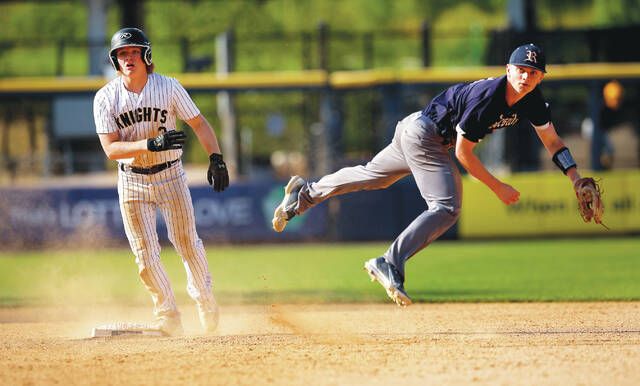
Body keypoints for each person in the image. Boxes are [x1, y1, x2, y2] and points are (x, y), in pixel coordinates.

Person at [272, 43, 596, 307]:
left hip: (417, 128)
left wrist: (575, 177)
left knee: (374, 175)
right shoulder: (489, 99)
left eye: (533, 73)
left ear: (541, 78)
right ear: (508, 70)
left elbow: (553, 142)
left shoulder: (533, 102)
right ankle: (389, 261)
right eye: (521, 70)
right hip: (428, 137)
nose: (526, 77)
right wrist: (497, 187)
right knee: (446, 207)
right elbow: (463, 154)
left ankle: (304, 194)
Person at [94, 27, 229, 335]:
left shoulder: (168, 87)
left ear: (146, 55)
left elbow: (198, 122)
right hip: (132, 180)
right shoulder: (105, 98)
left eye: (134, 52)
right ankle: (167, 312)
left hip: (170, 174)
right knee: (144, 253)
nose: (128, 58)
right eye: (122, 54)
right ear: (115, 60)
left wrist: (216, 157)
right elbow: (111, 149)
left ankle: (206, 301)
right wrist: (149, 144)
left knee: (186, 243)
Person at [599, 80, 624, 169]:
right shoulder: (601, 106)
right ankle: (603, 166)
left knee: (609, 149)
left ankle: (605, 166)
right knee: (608, 149)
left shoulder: (609, 107)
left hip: (604, 130)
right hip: (597, 129)